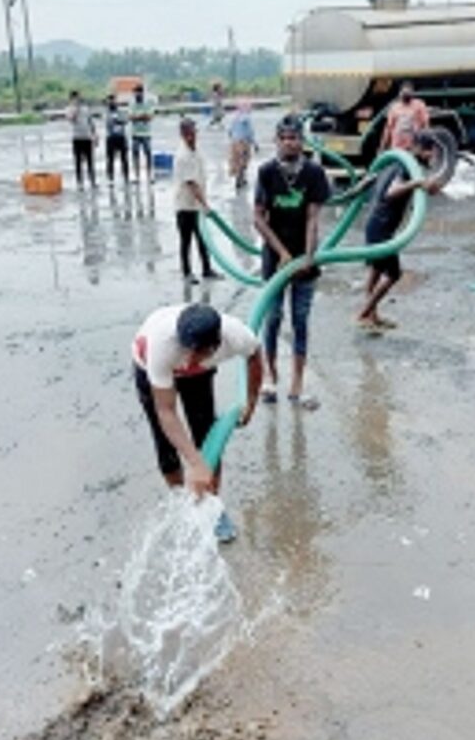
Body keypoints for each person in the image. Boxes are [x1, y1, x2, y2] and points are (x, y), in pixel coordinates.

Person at [132, 302, 263, 542]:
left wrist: (251, 400)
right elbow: (166, 411)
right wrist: (194, 463)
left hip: (199, 375)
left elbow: (255, 357)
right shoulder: (162, 344)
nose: (188, 358)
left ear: (216, 345)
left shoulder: (235, 335)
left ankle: (211, 508)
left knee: (207, 435)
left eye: (197, 352)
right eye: (186, 349)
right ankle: (182, 503)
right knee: (165, 446)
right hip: (149, 369)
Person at [254, 114, 330, 410]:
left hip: (304, 261)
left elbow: (312, 218)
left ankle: (297, 382)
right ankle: (271, 377)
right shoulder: (266, 172)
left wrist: (308, 257)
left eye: (295, 137)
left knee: (300, 320)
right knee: (272, 319)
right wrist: (282, 253)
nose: (289, 142)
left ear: (302, 140)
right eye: (284, 137)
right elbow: (258, 218)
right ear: (277, 140)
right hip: (275, 261)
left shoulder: (313, 173)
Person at [358, 128, 439, 330]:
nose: (432, 155)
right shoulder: (406, 166)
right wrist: (418, 183)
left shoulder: (403, 164)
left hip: (378, 225)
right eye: (429, 151)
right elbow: (391, 192)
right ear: (419, 149)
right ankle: (364, 313)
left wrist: (423, 185)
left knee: (375, 272)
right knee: (394, 274)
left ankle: (372, 316)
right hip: (382, 229)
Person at [173, 116, 220, 284]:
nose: (192, 136)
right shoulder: (183, 155)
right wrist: (206, 205)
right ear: (183, 134)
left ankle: (207, 269)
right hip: (185, 206)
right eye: (188, 133)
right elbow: (192, 184)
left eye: (193, 132)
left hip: (196, 206)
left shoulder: (195, 150)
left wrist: (202, 204)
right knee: (186, 241)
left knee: (202, 239)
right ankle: (187, 273)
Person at [379, 80, 430, 152]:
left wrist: (426, 145)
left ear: (412, 92)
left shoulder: (419, 105)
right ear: (400, 93)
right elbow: (388, 127)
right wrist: (382, 146)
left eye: (408, 92)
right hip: (397, 146)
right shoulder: (394, 107)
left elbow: (426, 125)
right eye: (404, 92)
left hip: (413, 146)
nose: (406, 94)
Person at [66, 89, 97, 189]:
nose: (78, 99)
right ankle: (80, 183)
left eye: (79, 97)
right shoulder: (69, 109)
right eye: (76, 98)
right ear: (72, 99)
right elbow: (71, 119)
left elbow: (90, 122)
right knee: (78, 161)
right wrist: (76, 108)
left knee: (90, 160)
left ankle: (92, 181)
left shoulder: (86, 108)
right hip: (77, 138)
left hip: (87, 137)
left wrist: (95, 135)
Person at [227, 100, 258, 190]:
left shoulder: (235, 118)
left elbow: (230, 131)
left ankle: (239, 177)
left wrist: (233, 138)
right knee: (244, 160)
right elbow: (250, 132)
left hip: (234, 142)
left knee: (236, 160)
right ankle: (241, 177)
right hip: (244, 143)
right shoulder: (247, 118)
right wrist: (255, 144)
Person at [129, 83, 154, 183]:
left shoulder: (148, 103)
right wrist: (142, 116)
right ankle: (137, 176)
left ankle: (149, 175)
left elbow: (149, 117)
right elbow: (130, 117)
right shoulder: (132, 104)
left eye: (139, 92)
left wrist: (138, 117)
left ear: (142, 93)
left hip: (146, 134)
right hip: (135, 134)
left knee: (148, 154)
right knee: (135, 155)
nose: (137, 94)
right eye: (136, 93)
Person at [104, 94, 130, 185]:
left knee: (124, 158)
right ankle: (110, 178)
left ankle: (126, 177)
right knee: (110, 158)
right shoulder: (106, 112)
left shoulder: (121, 111)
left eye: (113, 100)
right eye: (110, 101)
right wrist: (118, 121)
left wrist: (119, 120)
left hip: (121, 136)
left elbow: (125, 121)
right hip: (111, 137)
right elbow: (109, 123)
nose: (112, 102)